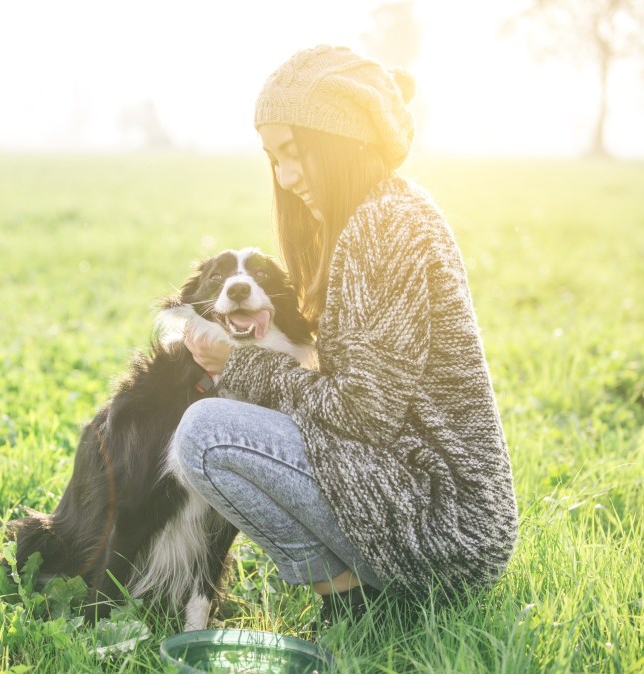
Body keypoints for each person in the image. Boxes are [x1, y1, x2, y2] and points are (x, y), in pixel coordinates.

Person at [173, 45, 518, 624]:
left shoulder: (383, 227)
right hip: (427, 498)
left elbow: (360, 413)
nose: (284, 176)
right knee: (228, 425)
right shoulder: (387, 211)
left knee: (204, 435)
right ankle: (354, 598)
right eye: (273, 158)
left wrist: (239, 365)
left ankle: (348, 599)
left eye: (295, 153)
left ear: (340, 141)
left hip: (444, 524)